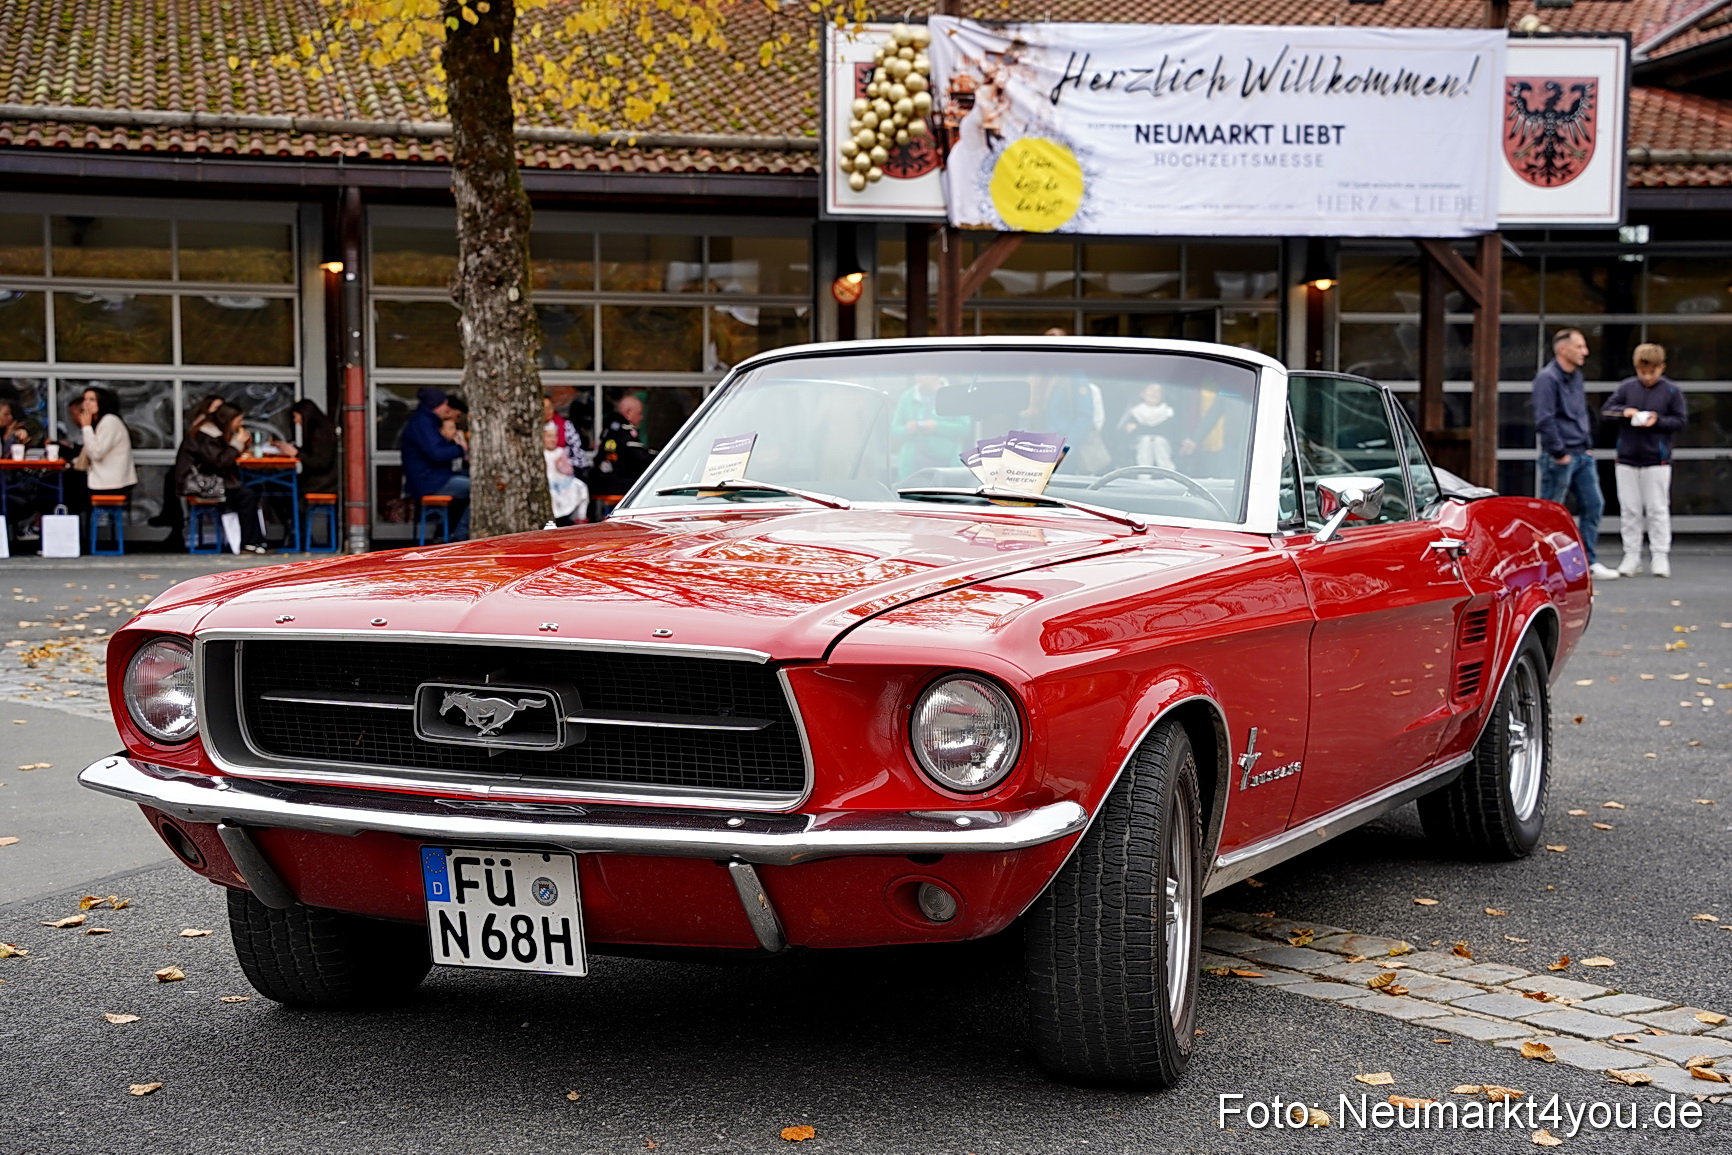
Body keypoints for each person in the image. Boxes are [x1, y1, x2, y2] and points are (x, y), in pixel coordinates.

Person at [1534, 328, 1619, 581]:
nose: (1586, 352)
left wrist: (1587, 444)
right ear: (1563, 349)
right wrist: (1559, 452)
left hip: (1582, 453)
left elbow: (1581, 412)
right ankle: (1543, 566)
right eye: (1580, 346)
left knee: (1594, 504)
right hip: (1560, 457)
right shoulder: (1547, 379)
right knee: (1551, 513)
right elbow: (1544, 418)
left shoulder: (1577, 377)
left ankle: (1587, 561)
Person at [1602, 343, 1687, 578]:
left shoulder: (1671, 391)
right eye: (1642, 372)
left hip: (1656, 459)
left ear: (1662, 368)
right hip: (1627, 458)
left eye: (1652, 372)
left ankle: (1660, 555)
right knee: (1629, 509)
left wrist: (1657, 420)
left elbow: (1680, 420)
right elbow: (1607, 411)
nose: (1647, 377)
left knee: (1657, 508)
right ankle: (1631, 555)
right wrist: (1625, 412)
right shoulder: (1627, 387)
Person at [176, 401, 267, 554]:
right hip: (197, 483)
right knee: (246, 495)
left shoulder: (213, 434)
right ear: (228, 420)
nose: (241, 424)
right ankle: (249, 543)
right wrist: (236, 445)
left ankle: (255, 541)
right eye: (238, 421)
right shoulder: (206, 435)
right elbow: (219, 462)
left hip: (212, 480)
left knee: (254, 488)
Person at [153, 395, 225, 549]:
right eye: (216, 407)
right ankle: (173, 523)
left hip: (190, 475)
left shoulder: (203, 425)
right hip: (198, 478)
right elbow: (213, 459)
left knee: (173, 480)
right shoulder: (205, 427)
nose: (219, 412)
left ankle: (172, 523)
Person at [400, 386, 469, 540]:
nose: (447, 407)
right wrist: (460, 449)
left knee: (469, 481)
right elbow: (437, 454)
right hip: (430, 482)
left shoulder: (426, 421)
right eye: (444, 404)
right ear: (435, 405)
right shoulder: (423, 424)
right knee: (477, 488)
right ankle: (461, 535)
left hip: (434, 478)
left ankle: (446, 530)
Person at [70, 386, 137, 510]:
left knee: (66, 486)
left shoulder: (110, 421)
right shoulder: (100, 422)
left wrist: (86, 428)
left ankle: (70, 525)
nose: (86, 403)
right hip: (104, 480)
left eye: (92, 400)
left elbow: (96, 453)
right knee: (64, 481)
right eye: (85, 399)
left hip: (112, 484)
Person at [891, 373, 971, 477]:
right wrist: (907, 429)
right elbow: (894, 430)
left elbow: (965, 428)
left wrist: (937, 427)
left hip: (946, 466)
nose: (918, 374)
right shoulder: (907, 396)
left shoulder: (954, 395)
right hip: (912, 466)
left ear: (936, 373)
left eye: (924, 370)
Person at [589, 393, 652, 516]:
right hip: (617, 485)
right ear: (628, 412)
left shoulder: (610, 425)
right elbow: (638, 457)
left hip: (603, 482)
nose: (642, 417)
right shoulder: (623, 429)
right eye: (639, 413)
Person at [278, 399, 340, 496]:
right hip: (325, 479)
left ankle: (290, 510)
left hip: (323, 482)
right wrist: (296, 450)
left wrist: (297, 453)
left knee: (279, 486)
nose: (296, 420)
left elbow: (320, 463)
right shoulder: (320, 430)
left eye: (296, 416)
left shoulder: (319, 433)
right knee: (282, 483)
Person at [1117, 382, 1177, 470]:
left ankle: (1168, 475)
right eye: (1151, 390)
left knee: (1158, 441)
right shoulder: (1134, 412)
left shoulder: (1169, 413)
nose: (1154, 394)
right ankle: (1144, 476)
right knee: (1146, 441)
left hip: (1163, 447)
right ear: (1143, 393)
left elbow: (1172, 433)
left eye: (1158, 391)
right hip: (1139, 448)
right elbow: (1126, 434)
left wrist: (1141, 429)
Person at [544, 421, 588, 526]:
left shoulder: (560, 452)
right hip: (549, 481)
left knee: (581, 487)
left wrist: (561, 465)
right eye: (549, 436)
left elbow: (569, 470)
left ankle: (580, 517)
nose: (553, 439)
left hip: (561, 480)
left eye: (555, 436)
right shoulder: (542, 453)